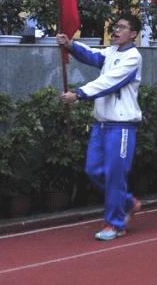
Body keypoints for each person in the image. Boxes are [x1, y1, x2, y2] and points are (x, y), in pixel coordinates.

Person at [56, 14, 143, 241]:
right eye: (115, 26)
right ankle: (126, 202)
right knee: (93, 170)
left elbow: (110, 82)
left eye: (122, 27)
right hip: (101, 123)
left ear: (133, 34)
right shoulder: (111, 52)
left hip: (121, 126)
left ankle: (115, 224)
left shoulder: (133, 57)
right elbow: (93, 55)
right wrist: (71, 45)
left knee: (115, 175)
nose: (116, 30)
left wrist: (79, 93)